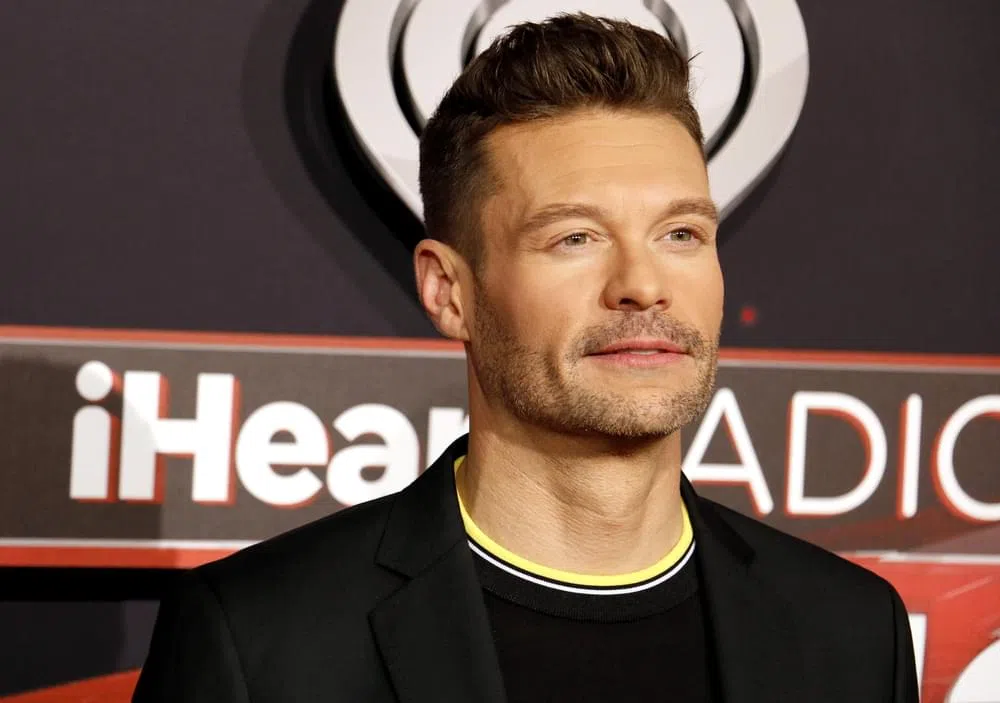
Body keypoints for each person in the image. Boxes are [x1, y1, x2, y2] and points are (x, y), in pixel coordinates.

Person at [133, 13, 919, 702]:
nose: (643, 285)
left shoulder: (851, 632)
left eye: (681, 233)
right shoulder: (262, 639)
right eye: (575, 237)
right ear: (449, 291)